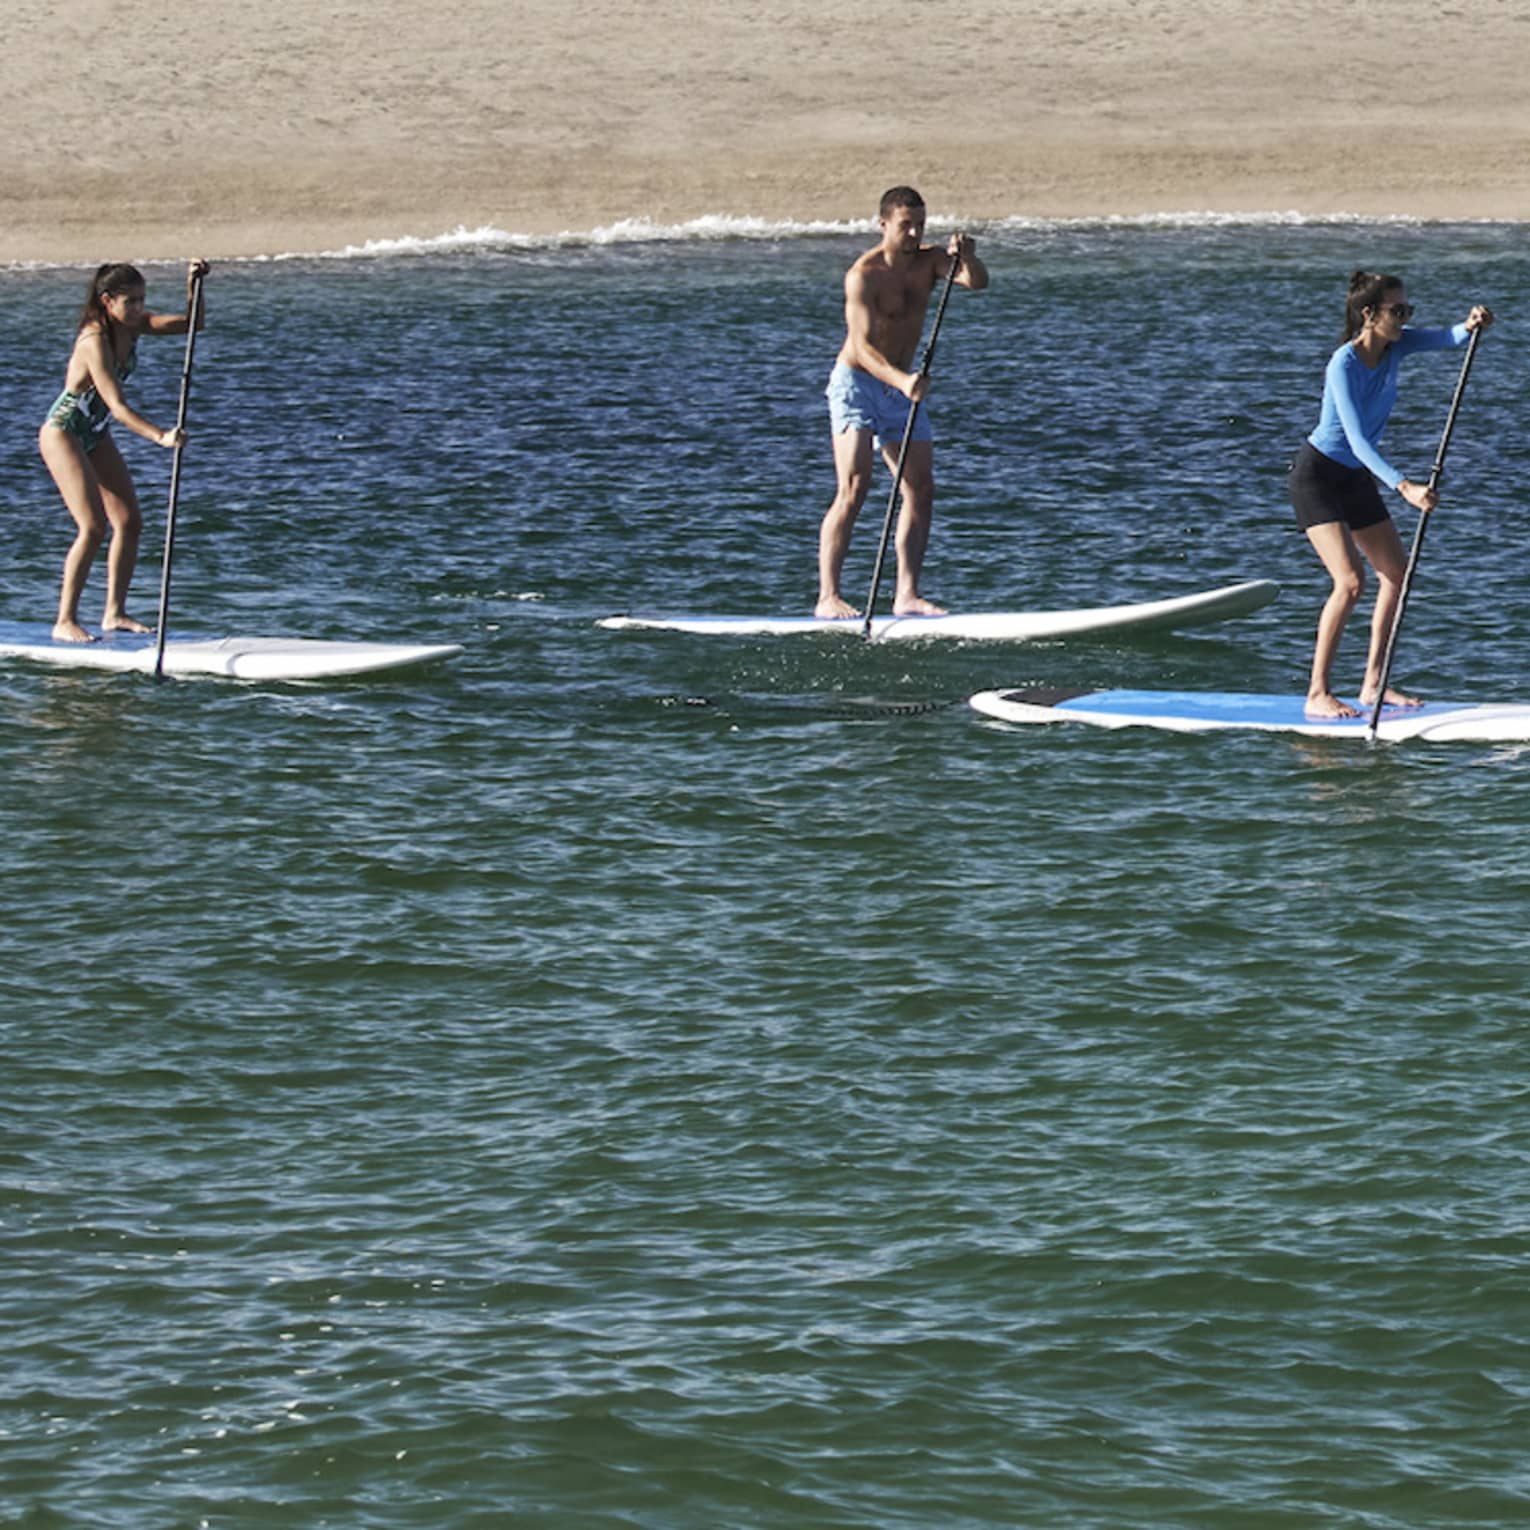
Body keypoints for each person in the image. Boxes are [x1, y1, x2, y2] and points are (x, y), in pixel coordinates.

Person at [1290, 269, 1491, 717]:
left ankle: (1372, 684)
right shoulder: (1342, 363)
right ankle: (1317, 693)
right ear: (1369, 314)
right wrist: (1405, 486)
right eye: (1396, 310)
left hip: (1355, 477)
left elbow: (1450, 338)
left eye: (1407, 310)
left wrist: (1472, 323)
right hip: (1318, 476)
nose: (1404, 319)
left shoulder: (1397, 345)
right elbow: (1357, 439)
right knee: (1350, 582)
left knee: (1396, 575)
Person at [816, 186, 988, 619]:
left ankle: (907, 594)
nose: (913, 233)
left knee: (920, 489)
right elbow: (860, 347)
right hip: (857, 384)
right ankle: (828, 596)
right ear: (883, 225)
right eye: (905, 225)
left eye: (920, 225)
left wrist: (967, 255)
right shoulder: (863, 274)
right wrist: (902, 380)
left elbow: (977, 283)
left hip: (902, 388)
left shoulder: (930, 261)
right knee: (854, 488)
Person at [39, 259, 209, 643]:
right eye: (129, 301)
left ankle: (114, 613)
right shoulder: (93, 340)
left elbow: (194, 324)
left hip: (95, 434)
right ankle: (64, 619)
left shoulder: (134, 326)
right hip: (64, 432)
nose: (137, 308)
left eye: (141, 300)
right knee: (93, 526)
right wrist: (160, 436)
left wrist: (194, 285)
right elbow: (116, 405)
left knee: (130, 522)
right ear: (107, 301)